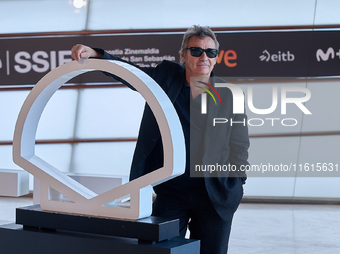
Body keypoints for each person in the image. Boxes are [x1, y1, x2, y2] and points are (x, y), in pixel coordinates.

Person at [71, 25, 249, 254]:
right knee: (161, 250)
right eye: (196, 51)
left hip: (215, 195)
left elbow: (239, 146)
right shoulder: (165, 78)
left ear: (216, 57)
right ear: (183, 55)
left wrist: (236, 183)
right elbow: (130, 73)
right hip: (171, 193)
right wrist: (97, 55)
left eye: (210, 52)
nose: (204, 57)